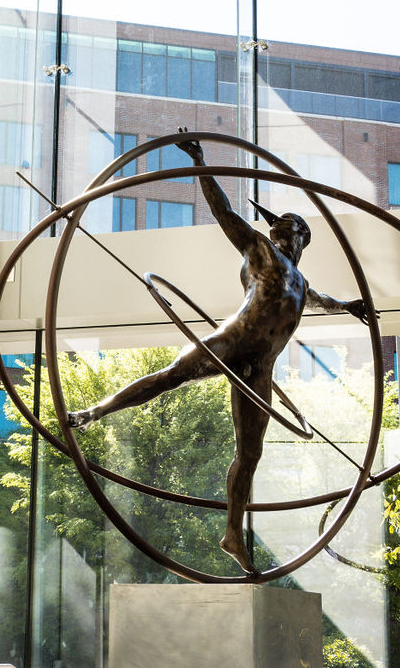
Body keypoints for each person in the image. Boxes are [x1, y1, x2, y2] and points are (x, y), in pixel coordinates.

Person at [67, 131, 371, 573]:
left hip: (260, 369)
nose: (275, 228)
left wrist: (349, 306)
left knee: (250, 454)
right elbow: (224, 212)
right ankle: (93, 413)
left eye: (284, 224)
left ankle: (233, 533)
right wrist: (200, 163)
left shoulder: (302, 283)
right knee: (172, 376)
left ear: (301, 235)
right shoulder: (260, 251)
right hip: (233, 340)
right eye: (275, 224)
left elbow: (323, 300)